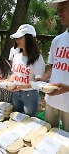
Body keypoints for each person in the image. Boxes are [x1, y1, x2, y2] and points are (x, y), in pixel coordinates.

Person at [38, 0, 69, 131]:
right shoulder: (57, 40)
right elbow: (53, 66)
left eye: (63, 8)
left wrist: (67, 88)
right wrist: (42, 79)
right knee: (49, 134)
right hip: (52, 100)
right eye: (58, 9)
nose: (59, 12)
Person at [6, 24, 45, 116]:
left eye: (20, 37)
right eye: (16, 38)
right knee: (16, 117)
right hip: (16, 93)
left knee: (29, 120)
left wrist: (22, 86)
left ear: (29, 38)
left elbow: (38, 82)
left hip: (30, 95)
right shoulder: (16, 55)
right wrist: (7, 82)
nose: (16, 40)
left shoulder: (38, 58)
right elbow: (14, 74)